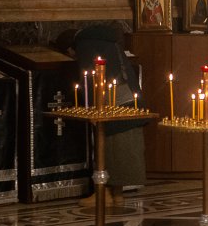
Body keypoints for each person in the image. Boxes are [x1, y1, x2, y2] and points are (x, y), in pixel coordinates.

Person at [58, 25, 147, 208]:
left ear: (70, 48)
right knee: (123, 149)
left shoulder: (85, 44)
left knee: (108, 147)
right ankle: (117, 194)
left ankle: (103, 193)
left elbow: (91, 79)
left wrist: (92, 109)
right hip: (129, 96)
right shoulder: (107, 39)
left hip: (111, 100)